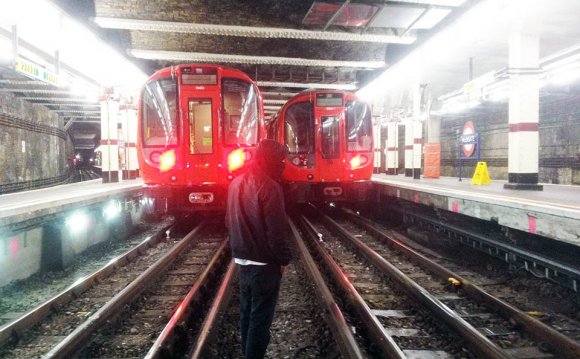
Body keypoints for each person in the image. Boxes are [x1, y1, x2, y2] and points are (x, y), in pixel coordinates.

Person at [226, 139, 292, 359]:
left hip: (242, 261)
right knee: (260, 321)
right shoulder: (270, 187)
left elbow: (229, 221)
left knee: (246, 315)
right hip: (264, 265)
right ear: (271, 159)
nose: (283, 164)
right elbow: (276, 229)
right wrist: (283, 259)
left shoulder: (235, 184)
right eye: (280, 160)